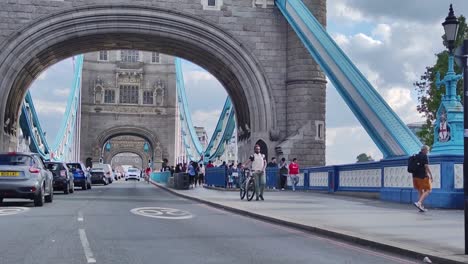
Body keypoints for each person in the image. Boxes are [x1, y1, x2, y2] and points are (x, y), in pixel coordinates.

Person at [412, 145, 433, 212]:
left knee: (420, 190)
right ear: (424, 150)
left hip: (415, 176)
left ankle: (420, 206)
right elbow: (426, 166)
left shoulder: (415, 156)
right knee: (428, 190)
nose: (428, 152)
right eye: (427, 150)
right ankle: (419, 203)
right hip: (422, 176)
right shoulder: (424, 156)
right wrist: (431, 175)